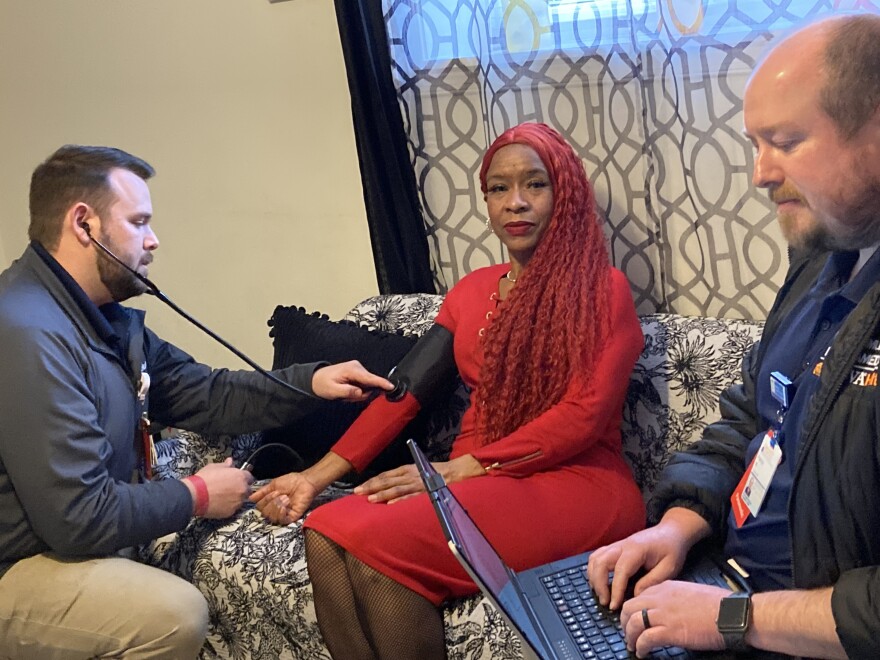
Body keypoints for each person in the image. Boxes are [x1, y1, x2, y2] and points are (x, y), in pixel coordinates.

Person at [251, 122, 647, 658]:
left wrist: (462, 469)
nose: (516, 203)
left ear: (566, 193)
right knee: (324, 527)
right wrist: (313, 476)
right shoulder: (471, 291)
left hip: (576, 481)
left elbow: (585, 413)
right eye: (499, 189)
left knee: (376, 548)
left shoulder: (603, 289)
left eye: (535, 184)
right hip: (476, 478)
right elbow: (403, 394)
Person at [0, 145, 393, 659]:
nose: (153, 239)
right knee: (171, 616)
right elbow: (77, 519)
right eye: (139, 222)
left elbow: (207, 393)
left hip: (65, 546)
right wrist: (198, 495)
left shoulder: (105, 319)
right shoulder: (28, 333)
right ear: (84, 223)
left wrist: (312, 380)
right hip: (19, 565)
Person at [586, 14, 880, 660]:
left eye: (785, 140)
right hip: (724, 592)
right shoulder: (819, 261)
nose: (760, 173)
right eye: (755, 143)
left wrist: (732, 619)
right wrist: (675, 527)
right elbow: (752, 414)